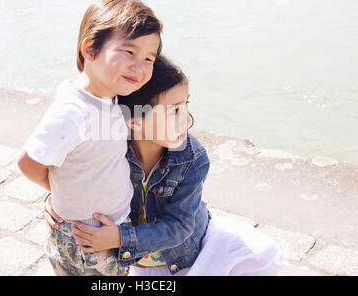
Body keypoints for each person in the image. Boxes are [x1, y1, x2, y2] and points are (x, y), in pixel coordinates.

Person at [43, 56, 287, 276]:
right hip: (136, 262)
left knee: (262, 257)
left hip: (186, 254)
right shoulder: (109, 149)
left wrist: (119, 237)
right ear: (135, 122)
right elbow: (78, 173)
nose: (187, 119)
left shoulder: (193, 157)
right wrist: (56, 199)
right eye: (174, 110)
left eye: (186, 105)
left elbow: (180, 226)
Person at [17, 0, 162, 276]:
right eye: (129, 52)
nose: (140, 66)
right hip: (88, 237)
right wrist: (60, 193)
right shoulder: (74, 112)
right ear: (90, 49)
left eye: (149, 58)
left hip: (112, 225)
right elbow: (28, 163)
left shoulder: (107, 93)